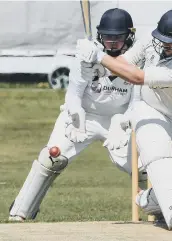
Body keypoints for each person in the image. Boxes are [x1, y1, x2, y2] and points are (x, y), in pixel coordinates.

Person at [9, 8, 147, 221]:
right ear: (100, 36)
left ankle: (158, 212)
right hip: (83, 116)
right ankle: (21, 212)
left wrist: (123, 121)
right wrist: (75, 112)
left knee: (144, 168)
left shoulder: (138, 58)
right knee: (51, 157)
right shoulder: (86, 54)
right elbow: (73, 93)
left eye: (117, 38)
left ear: (129, 36)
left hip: (118, 121)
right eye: (107, 37)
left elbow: (138, 101)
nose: (111, 43)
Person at [76, 9, 172, 231]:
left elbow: (136, 76)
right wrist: (96, 66)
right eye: (162, 39)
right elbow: (125, 64)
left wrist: (99, 57)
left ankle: (149, 199)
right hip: (149, 108)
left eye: (171, 42)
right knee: (158, 154)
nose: (163, 45)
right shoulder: (152, 39)